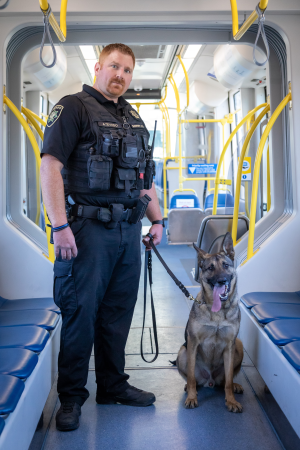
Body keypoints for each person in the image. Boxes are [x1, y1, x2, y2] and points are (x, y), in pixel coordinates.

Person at [40, 43, 163, 432]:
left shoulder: (134, 118)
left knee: (116, 315)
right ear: (98, 66)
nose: (120, 76)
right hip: (86, 232)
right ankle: (72, 397)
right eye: (114, 66)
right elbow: (50, 167)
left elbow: (145, 179)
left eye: (127, 70)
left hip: (128, 231)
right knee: (81, 314)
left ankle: (112, 385)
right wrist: (59, 225)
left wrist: (157, 221)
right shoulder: (73, 107)